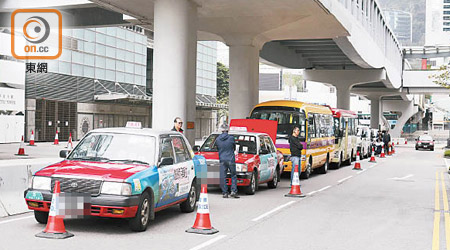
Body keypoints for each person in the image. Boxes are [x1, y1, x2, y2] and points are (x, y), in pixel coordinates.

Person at [215, 123, 239, 198]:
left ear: (221, 130)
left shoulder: (218, 139)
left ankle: (225, 193)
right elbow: (234, 147)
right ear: (228, 130)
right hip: (231, 159)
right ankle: (233, 191)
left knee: (223, 176)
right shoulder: (231, 138)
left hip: (222, 159)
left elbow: (217, 148)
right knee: (233, 175)